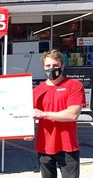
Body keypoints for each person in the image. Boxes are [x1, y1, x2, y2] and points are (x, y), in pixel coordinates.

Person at [32, 49, 86, 178]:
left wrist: (43, 114)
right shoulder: (36, 91)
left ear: (62, 65)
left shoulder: (74, 85)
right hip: (44, 146)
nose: (52, 68)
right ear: (43, 67)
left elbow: (72, 114)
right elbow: (31, 115)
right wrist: (27, 130)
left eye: (55, 65)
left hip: (67, 146)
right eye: (48, 66)